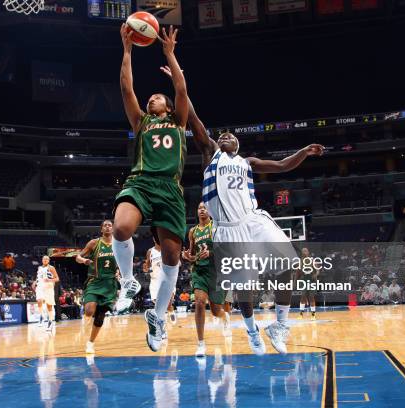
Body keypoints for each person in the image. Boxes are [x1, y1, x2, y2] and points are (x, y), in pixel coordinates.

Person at [182, 79, 323, 354]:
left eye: (230, 135)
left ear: (238, 143)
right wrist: (179, 80)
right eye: (220, 135)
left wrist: (304, 152)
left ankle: (280, 325)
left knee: (289, 264)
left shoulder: (249, 163)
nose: (224, 136)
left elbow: (283, 165)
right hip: (225, 229)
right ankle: (251, 331)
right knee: (243, 291)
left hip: (253, 220)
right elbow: (193, 118)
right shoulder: (211, 155)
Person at [114, 24, 189, 352]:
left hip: (170, 190)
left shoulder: (179, 121)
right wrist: (127, 50)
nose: (151, 98)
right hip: (142, 182)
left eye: (158, 97)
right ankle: (128, 279)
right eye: (151, 97)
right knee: (120, 228)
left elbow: (183, 91)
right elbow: (126, 88)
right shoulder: (141, 121)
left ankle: (158, 318)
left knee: (172, 258)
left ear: (168, 107)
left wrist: (170, 55)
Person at [182, 202, 231, 357]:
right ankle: (201, 344)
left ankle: (225, 316)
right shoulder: (193, 231)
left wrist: (211, 253)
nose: (202, 209)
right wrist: (187, 256)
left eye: (205, 207)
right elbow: (191, 253)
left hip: (216, 272)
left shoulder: (217, 228)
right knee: (199, 303)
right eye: (199, 207)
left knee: (216, 311)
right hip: (199, 271)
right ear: (197, 212)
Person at [76, 220, 118, 355]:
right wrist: (84, 260)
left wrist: (119, 270)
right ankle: (85, 320)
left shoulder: (118, 244)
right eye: (105, 225)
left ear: (113, 228)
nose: (107, 227)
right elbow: (77, 257)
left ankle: (90, 343)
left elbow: (124, 261)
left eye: (110, 225)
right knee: (89, 310)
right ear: (101, 229)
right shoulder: (94, 243)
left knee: (100, 317)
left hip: (110, 283)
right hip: (95, 281)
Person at [143, 235, 176, 324]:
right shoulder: (150, 251)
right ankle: (166, 315)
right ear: (153, 239)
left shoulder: (168, 248)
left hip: (168, 277)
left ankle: (170, 309)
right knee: (159, 306)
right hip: (155, 280)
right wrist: (146, 268)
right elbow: (148, 266)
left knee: (168, 301)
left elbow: (176, 263)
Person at [33, 256, 60, 331]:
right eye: (44, 259)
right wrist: (35, 282)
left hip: (49, 287)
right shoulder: (39, 268)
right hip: (40, 286)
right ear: (42, 260)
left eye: (46, 259)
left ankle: (50, 321)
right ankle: (41, 316)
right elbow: (38, 277)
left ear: (49, 260)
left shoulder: (51, 268)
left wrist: (49, 280)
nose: (45, 260)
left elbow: (57, 278)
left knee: (49, 306)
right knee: (39, 300)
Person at [296, 247, 319, 320]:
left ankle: (313, 315)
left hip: (311, 280)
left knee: (311, 297)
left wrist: (315, 275)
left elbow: (318, 270)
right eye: (303, 251)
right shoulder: (300, 261)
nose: (304, 252)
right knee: (303, 297)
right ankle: (301, 314)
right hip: (304, 280)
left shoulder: (312, 261)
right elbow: (297, 272)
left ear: (308, 252)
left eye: (305, 251)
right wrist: (295, 281)